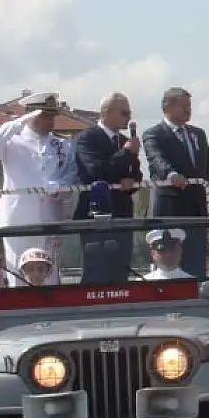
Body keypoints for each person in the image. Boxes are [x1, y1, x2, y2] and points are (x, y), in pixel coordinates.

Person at [0, 91, 79, 285]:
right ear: (32, 116)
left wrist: (59, 185)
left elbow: (72, 174)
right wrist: (18, 122)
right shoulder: (11, 141)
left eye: (53, 116)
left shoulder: (62, 145)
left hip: (50, 219)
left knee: (50, 279)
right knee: (18, 278)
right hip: (18, 220)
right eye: (46, 116)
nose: (51, 121)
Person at [142, 87, 209, 277]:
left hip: (197, 214)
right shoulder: (154, 134)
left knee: (196, 268)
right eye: (184, 106)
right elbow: (156, 159)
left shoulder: (198, 135)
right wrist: (171, 174)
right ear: (167, 106)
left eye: (190, 106)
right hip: (170, 213)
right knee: (169, 269)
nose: (188, 110)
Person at [73, 92, 143, 283]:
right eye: (124, 113)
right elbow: (95, 170)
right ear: (107, 112)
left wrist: (130, 182)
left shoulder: (123, 140)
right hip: (95, 214)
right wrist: (126, 152)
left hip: (122, 213)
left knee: (120, 268)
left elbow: (137, 173)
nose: (129, 118)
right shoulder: (87, 138)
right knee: (96, 269)